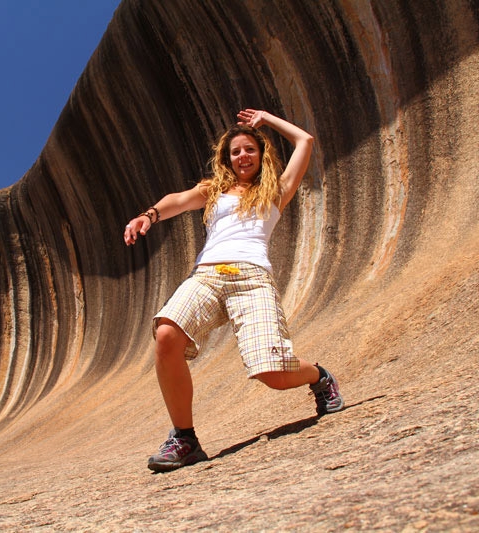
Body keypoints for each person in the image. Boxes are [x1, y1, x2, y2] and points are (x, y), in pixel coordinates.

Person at [124, 109, 344, 473]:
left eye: (249, 150)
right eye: (235, 152)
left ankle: (319, 377)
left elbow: (304, 141)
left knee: (271, 373)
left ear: (261, 154)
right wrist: (148, 216)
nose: (243, 157)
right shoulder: (214, 191)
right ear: (227, 159)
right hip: (208, 275)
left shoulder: (276, 191)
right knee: (166, 334)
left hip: (252, 277)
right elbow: (176, 200)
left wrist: (267, 119)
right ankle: (185, 439)